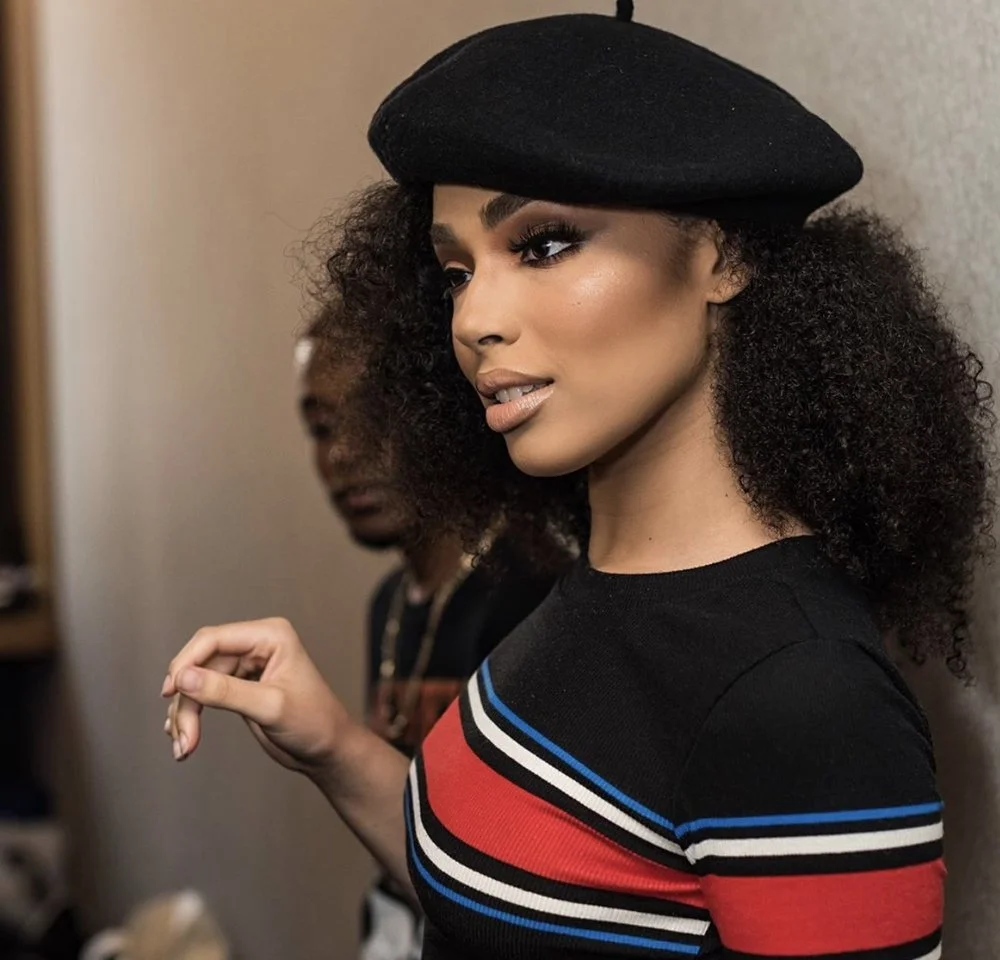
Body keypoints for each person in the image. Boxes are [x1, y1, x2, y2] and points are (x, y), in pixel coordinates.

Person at [162, 6, 994, 958]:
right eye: (455, 271)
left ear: (722, 254)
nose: (474, 315)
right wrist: (335, 748)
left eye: (544, 243)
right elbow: (524, 911)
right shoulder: (593, 591)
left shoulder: (801, 697)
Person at [294, 314, 559, 958]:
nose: (342, 456)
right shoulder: (388, 605)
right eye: (323, 427)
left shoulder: (533, 592)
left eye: (374, 416)